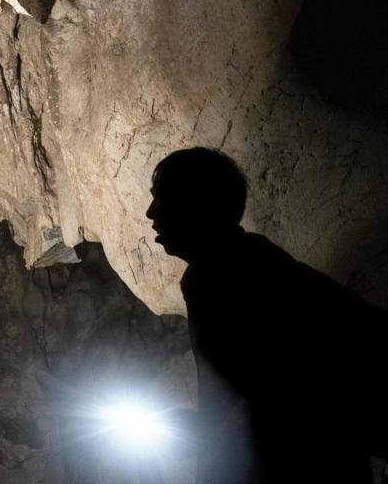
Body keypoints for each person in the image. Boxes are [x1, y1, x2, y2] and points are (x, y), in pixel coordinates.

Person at [147, 147, 385, 483]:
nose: (150, 213)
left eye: (161, 199)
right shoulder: (247, 264)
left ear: (196, 205)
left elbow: (283, 398)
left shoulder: (232, 275)